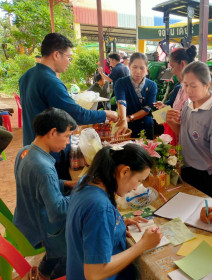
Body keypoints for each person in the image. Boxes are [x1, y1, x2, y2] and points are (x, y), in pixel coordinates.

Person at [18, 33, 118, 178]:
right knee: (57, 193)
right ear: (56, 55)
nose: (69, 61)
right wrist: (106, 114)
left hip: (32, 146)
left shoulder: (27, 76)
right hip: (51, 152)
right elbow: (76, 115)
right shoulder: (50, 81)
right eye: (69, 57)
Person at [66, 144, 163, 279]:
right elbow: (94, 273)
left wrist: (117, 224)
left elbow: (87, 226)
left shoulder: (86, 181)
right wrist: (142, 245)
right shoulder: (100, 208)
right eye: (138, 180)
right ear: (124, 172)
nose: (136, 188)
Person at [13, 108, 77, 278]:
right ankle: (54, 275)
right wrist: (81, 194)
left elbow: (36, 184)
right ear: (53, 132)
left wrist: (67, 183)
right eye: (67, 136)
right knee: (77, 242)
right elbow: (57, 212)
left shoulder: (25, 151)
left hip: (25, 222)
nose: (68, 142)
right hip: (41, 231)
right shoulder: (44, 168)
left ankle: (43, 272)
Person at [166, 61, 212, 199]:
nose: (188, 90)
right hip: (187, 169)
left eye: (193, 86)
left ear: (207, 85)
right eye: (185, 85)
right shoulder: (189, 104)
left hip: (206, 175)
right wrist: (170, 122)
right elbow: (184, 134)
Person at [154, 46, 197, 145]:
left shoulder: (195, 94)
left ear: (182, 64)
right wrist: (166, 110)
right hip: (178, 141)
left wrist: (170, 118)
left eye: (172, 66)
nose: (172, 71)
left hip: (188, 145)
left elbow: (192, 130)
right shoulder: (180, 87)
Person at [114, 52, 157, 139]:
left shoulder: (152, 85)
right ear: (129, 66)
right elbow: (121, 101)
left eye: (142, 68)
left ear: (147, 69)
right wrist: (123, 120)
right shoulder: (121, 83)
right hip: (126, 126)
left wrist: (128, 118)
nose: (138, 71)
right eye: (135, 67)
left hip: (145, 125)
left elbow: (147, 108)